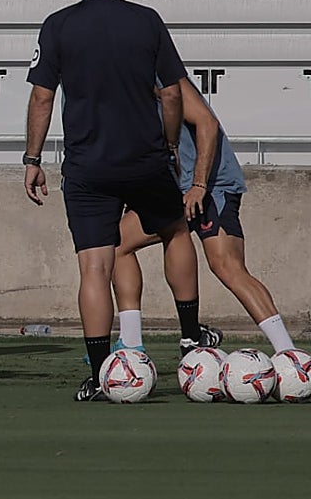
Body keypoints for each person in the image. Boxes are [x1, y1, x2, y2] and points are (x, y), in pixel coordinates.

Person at [23, 0, 212, 402]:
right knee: (174, 231)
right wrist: (169, 143)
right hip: (144, 158)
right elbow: (172, 93)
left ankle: (101, 370)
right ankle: (190, 336)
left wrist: (32, 159)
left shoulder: (58, 26)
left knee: (95, 264)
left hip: (88, 165)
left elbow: (42, 96)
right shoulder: (146, 22)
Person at [111, 77, 295, 355]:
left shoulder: (161, 77)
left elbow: (207, 123)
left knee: (227, 266)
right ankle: (134, 344)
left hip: (212, 186)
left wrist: (199, 185)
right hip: (169, 192)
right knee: (115, 245)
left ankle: (289, 353)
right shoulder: (116, 87)